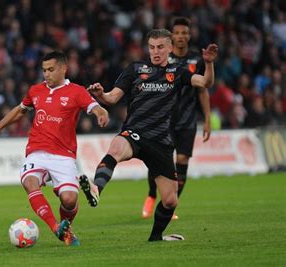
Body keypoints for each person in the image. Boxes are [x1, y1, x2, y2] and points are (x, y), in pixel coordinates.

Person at [79, 29, 218, 241]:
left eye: (160, 47)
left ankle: (156, 238)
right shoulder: (135, 69)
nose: (155, 52)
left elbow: (205, 83)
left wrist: (208, 63)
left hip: (161, 142)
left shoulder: (177, 71)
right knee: (116, 148)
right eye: (152, 47)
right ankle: (96, 189)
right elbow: (113, 97)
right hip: (135, 132)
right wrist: (101, 95)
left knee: (171, 201)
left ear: (170, 48)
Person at [0, 51, 109, 246]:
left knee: (69, 200)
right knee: (29, 182)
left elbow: (95, 107)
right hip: (37, 151)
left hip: (64, 155)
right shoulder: (35, 90)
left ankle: (66, 226)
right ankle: (55, 227)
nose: (46, 74)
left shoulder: (77, 91)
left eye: (51, 70)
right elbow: (20, 111)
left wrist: (101, 113)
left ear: (63, 69)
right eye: (44, 70)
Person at [142, 17, 212, 220]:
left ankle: (170, 205)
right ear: (172, 38)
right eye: (177, 33)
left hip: (187, 121)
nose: (181, 36)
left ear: (189, 35)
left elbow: (202, 90)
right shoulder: (162, 58)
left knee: (182, 162)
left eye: (184, 33)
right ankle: (151, 195)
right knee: (158, 160)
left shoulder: (197, 60)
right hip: (163, 119)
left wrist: (207, 119)